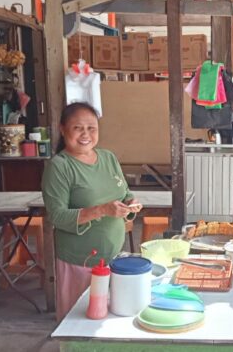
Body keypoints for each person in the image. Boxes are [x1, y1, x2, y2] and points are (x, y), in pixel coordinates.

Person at [42, 102, 143, 321]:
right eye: (78, 128)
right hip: (80, 262)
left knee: (108, 320)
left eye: (92, 128)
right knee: (79, 322)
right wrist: (102, 210)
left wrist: (130, 203)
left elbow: (123, 192)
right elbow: (57, 216)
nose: (86, 134)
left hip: (114, 258)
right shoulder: (59, 166)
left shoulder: (108, 158)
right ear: (62, 129)